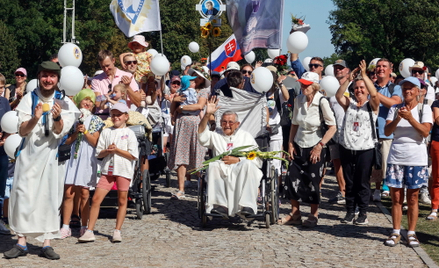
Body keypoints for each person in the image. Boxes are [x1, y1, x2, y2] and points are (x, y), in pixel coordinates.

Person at [4, 61, 80, 260]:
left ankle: (47, 243)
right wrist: (35, 118)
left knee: (49, 197)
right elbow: (21, 130)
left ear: (57, 79)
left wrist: (57, 118)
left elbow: (60, 132)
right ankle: (21, 242)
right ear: (39, 76)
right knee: (22, 195)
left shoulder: (63, 102)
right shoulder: (29, 99)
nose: (48, 80)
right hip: (28, 157)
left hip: (49, 157)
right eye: (45, 75)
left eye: (52, 76)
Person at [280, 71, 336, 227]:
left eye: (306, 84)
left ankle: (313, 214)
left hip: (315, 144)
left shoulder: (322, 102)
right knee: (292, 178)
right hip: (299, 143)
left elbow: (332, 127)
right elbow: (295, 123)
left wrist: (320, 146)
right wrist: (290, 143)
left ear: (315, 86)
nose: (303, 86)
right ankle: (295, 213)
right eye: (302, 84)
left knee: (313, 180)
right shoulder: (298, 99)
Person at [78, 103, 138, 243]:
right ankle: (89, 230)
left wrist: (117, 150)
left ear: (126, 117)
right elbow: (99, 152)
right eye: (113, 115)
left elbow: (133, 155)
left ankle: (117, 230)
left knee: (122, 200)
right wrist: (108, 151)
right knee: (96, 199)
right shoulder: (106, 131)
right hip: (107, 171)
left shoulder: (130, 133)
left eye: (119, 115)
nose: (116, 117)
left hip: (123, 170)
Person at [383, 77, 432, 247]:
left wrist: (410, 118)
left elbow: (425, 132)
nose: (407, 91)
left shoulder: (424, 109)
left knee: (413, 198)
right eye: (405, 88)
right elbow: (387, 131)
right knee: (396, 197)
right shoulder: (394, 108)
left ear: (418, 91)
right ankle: (396, 231)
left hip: (416, 158)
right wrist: (398, 117)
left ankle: (411, 232)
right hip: (397, 156)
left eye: (411, 88)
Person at [198, 98, 262, 216]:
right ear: (220, 123)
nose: (227, 125)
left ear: (237, 124)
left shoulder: (246, 137)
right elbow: (202, 136)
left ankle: (247, 205)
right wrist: (207, 115)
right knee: (213, 165)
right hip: (222, 170)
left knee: (248, 164)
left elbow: (257, 159)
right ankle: (220, 205)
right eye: (224, 122)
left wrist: (239, 160)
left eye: (231, 122)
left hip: (241, 169)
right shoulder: (216, 136)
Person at [336, 60, 380, 225]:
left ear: (367, 90)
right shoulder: (351, 105)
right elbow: (339, 96)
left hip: (365, 148)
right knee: (349, 182)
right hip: (347, 147)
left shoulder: (371, 105)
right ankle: (349, 211)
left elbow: (375, 95)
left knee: (362, 182)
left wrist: (363, 76)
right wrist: (350, 78)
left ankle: (362, 212)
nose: (359, 90)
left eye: (362, 88)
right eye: (356, 88)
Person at [60, 88, 105, 239]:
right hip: (73, 156)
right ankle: (65, 226)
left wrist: (85, 132)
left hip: (87, 157)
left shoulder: (96, 120)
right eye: (85, 99)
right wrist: (76, 132)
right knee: (68, 192)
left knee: (85, 193)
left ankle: (84, 226)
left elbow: (95, 142)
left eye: (91, 101)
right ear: (79, 101)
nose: (88, 103)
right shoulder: (72, 118)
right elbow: (66, 141)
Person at [168, 67, 210, 199]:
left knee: (198, 154)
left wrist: (182, 107)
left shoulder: (202, 92)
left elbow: (199, 106)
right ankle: (181, 189)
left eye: (199, 77)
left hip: (196, 123)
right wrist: (175, 103)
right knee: (181, 155)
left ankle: (201, 186)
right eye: (195, 76)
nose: (197, 79)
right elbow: (173, 107)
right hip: (182, 123)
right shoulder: (182, 90)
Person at [370, 58, 403, 202]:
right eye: (378, 66)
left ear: (391, 70)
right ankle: (377, 189)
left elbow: (394, 103)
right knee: (375, 165)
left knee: (387, 166)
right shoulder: (370, 87)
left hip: (387, 133)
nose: (380, 69)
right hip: (370, 133)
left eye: (384, 66)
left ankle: (390, 190)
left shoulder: (395, 88)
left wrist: (375, 93)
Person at [92, 50, 140, 117]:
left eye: (107, 65)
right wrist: (110, 95)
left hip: (122, 118)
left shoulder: (127, 76)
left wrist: (127, 87)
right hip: (103, 118)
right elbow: (97, 103)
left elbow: (138, 102)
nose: (106, 69)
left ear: (113, 60)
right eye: (102, 67)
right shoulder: (96, 80)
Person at [327, 59, 349, 205]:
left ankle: (351, 191)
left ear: (347, 70)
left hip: (350, 131)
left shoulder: (353, 86)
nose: (338, 70)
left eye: (341, 68)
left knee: (349, 164)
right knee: (337, 163)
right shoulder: (329, 87)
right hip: (335, 131)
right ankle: (342, 191)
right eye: (336, 68)